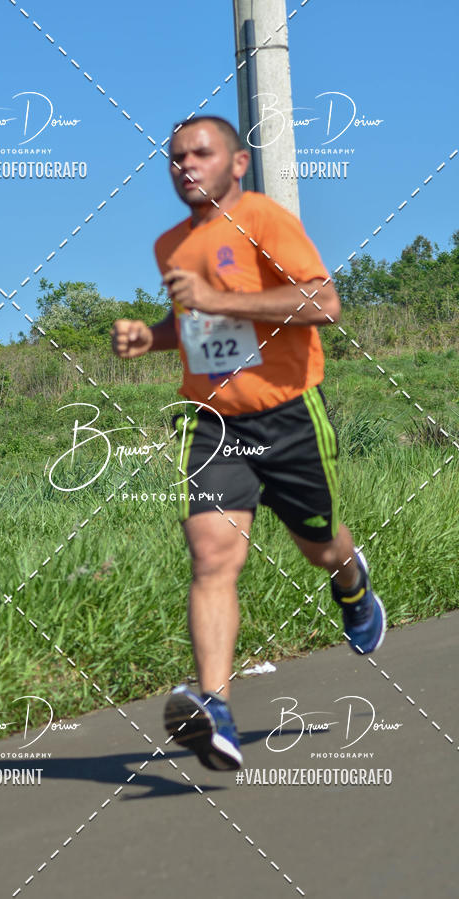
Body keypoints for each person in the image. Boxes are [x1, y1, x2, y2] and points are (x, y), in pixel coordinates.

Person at [110, 115, 386, 772]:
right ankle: (215, 709)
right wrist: (154, 336)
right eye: (174, 157)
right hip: (213, 422)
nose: (185, 165)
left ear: (237, 163)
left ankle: (351, 582)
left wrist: (223, 301)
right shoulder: (170, 245)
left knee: (319, 546)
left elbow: (324, 302)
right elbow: (194, 321)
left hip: (289, 413)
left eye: (200, 153)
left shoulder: (263, 219)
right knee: (211, 558)